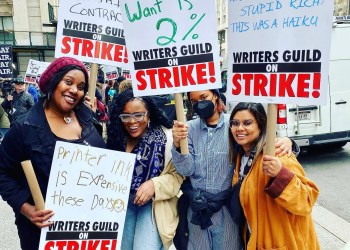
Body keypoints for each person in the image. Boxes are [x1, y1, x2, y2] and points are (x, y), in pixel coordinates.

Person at [0, 57, 106, 250]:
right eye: (68, 82)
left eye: (81, 86)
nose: (74, 90)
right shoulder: (24, 127)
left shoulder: (88, 119)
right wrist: (25, 208)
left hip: (90, 231)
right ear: (52, 81)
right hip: (44, 234)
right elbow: (2, 173)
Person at [172, 89, 296, 250]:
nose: (200, 104)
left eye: (204, 97)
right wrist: (177, 144)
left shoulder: (234, 125)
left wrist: (289, 142)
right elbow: (186, 170)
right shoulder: (187, 129)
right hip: (197, 209)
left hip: (227, 210)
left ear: (215, 95)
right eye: (194, 101)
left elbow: (258, 144)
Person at [228, 102, 319, 249]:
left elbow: (306, 201)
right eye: (235, 123)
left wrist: (280, 175)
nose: (240, 128)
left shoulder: (277, 155)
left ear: (261, 126)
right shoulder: (240, 158)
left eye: (247, 123)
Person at [107, 89, 184, 250]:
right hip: (121, 206)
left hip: (154, 206)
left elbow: (178, 176)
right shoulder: (115, 138)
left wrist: (154, 185)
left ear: (149, 114)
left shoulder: (168, 139)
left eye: (138, 115)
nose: (132, 121)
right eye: (126, 116)